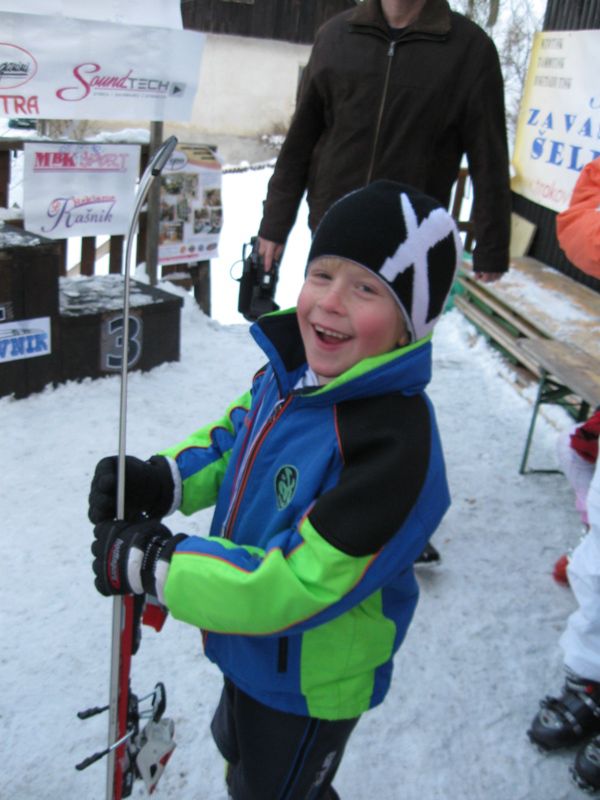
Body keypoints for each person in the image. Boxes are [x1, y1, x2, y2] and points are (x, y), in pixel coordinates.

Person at [88, 180, 462, 800]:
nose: (329, 303)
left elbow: (299, 581)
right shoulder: (297, 371)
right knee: (241, 760)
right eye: (321, 274)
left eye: (367, 288)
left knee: (277, 791)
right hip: (246, 639)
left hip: (309, 678)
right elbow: (237, 436)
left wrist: (160, 565)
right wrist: (164, 480)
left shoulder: (395, 448)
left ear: (410, 325)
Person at [257, 0, 511, 287]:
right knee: (326, 325)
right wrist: (275, 224)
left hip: (410, 243)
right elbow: (299, 143)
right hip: (333, 229)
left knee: (394, 333)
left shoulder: (469, 50)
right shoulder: (335, 36)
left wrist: (492, 247)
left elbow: (489, 158)